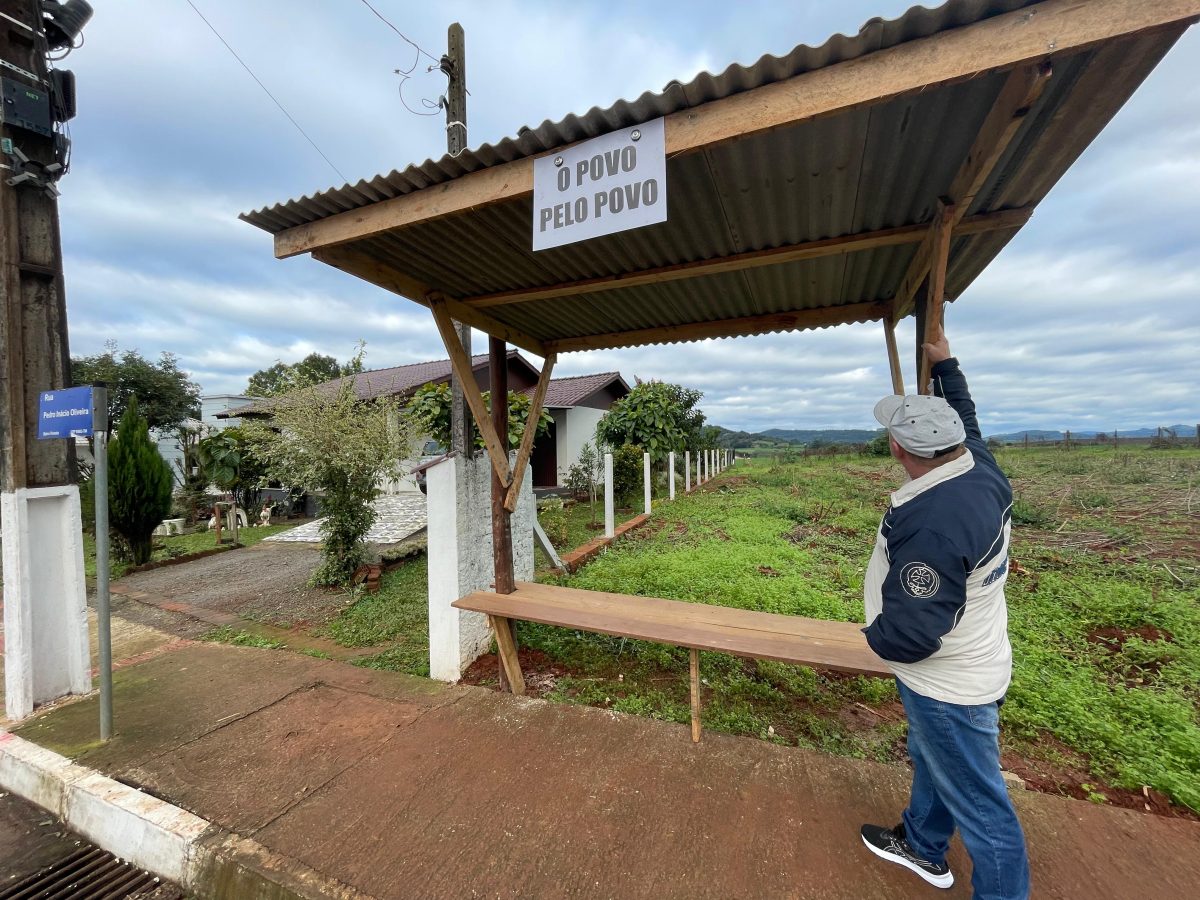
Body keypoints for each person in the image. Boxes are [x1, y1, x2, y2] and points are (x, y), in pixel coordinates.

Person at [858, 328, 1030, 899]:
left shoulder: (932, 522)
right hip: (977, 656)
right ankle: (924, 844)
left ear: (899, 450)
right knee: (935, 756)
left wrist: (876, 634)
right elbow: (968, 417)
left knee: (984, 809)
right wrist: (946, 363)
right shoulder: (976, 465)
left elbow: (912, 633)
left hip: (947, 681)